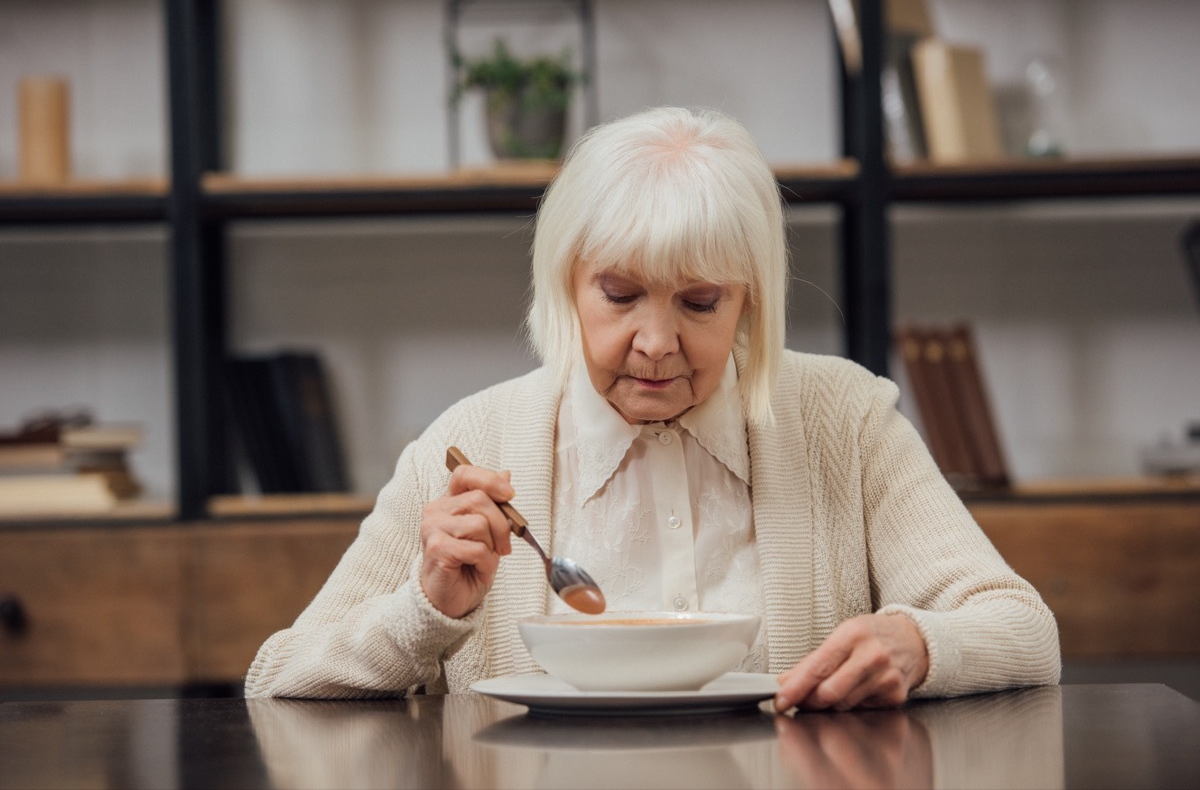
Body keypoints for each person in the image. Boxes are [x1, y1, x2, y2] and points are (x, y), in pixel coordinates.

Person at [245, 106, 1060, 710]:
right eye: (621, 294)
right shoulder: (468, 443)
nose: (657, 342)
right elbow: (277, 676)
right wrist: (428, 609)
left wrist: (919, 644)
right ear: (567, 283)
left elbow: (1022, 627)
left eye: (700, 302)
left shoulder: (844, 419)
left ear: (750, 303)